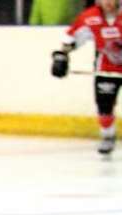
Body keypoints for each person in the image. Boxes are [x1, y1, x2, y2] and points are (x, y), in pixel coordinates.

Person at [51, 0, 122, 154]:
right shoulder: (90, 17)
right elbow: (73, 38)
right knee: (104, 105)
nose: (108, 2)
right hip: (106, 67)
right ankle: (108, 135)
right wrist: (62, 56)